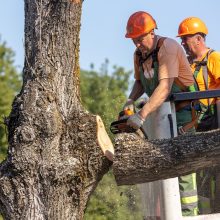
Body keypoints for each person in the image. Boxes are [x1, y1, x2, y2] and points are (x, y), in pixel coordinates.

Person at [123, 11, 199, 216]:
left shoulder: (167, 47)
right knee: (160, 164)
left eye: (140, 39)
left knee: (182, 166)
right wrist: (130, 101)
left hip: (183, 113)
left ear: (151, 32)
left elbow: (165, 87)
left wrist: (141, 115)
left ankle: (189, 214)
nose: (137, 44)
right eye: (134, 40)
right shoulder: (138, 55)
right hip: (160, 113)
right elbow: (140, 83)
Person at [177, 17, 220, 214]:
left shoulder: (214, 58)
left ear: (199, 39)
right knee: (202, 177)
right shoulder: (187, 65)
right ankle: (204, 215)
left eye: (186, 39)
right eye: (182, 39)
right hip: (196, 127)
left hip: (214, 123)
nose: (183, 43)